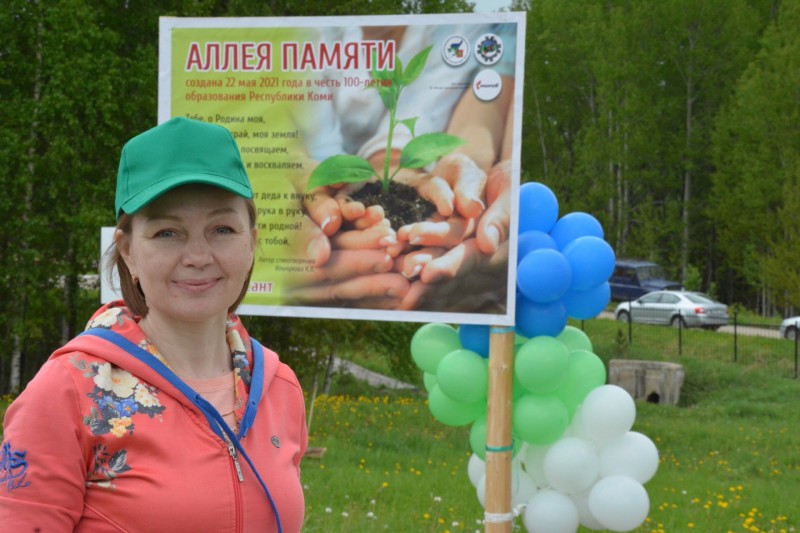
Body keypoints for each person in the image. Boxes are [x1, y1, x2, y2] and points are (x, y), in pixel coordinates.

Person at [0, 117, 307, 532]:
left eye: (222, 229)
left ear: (251, 241)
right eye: (167, 233)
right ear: (127, 251)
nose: (198, 256)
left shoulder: (278, 387)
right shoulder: (68, 393)